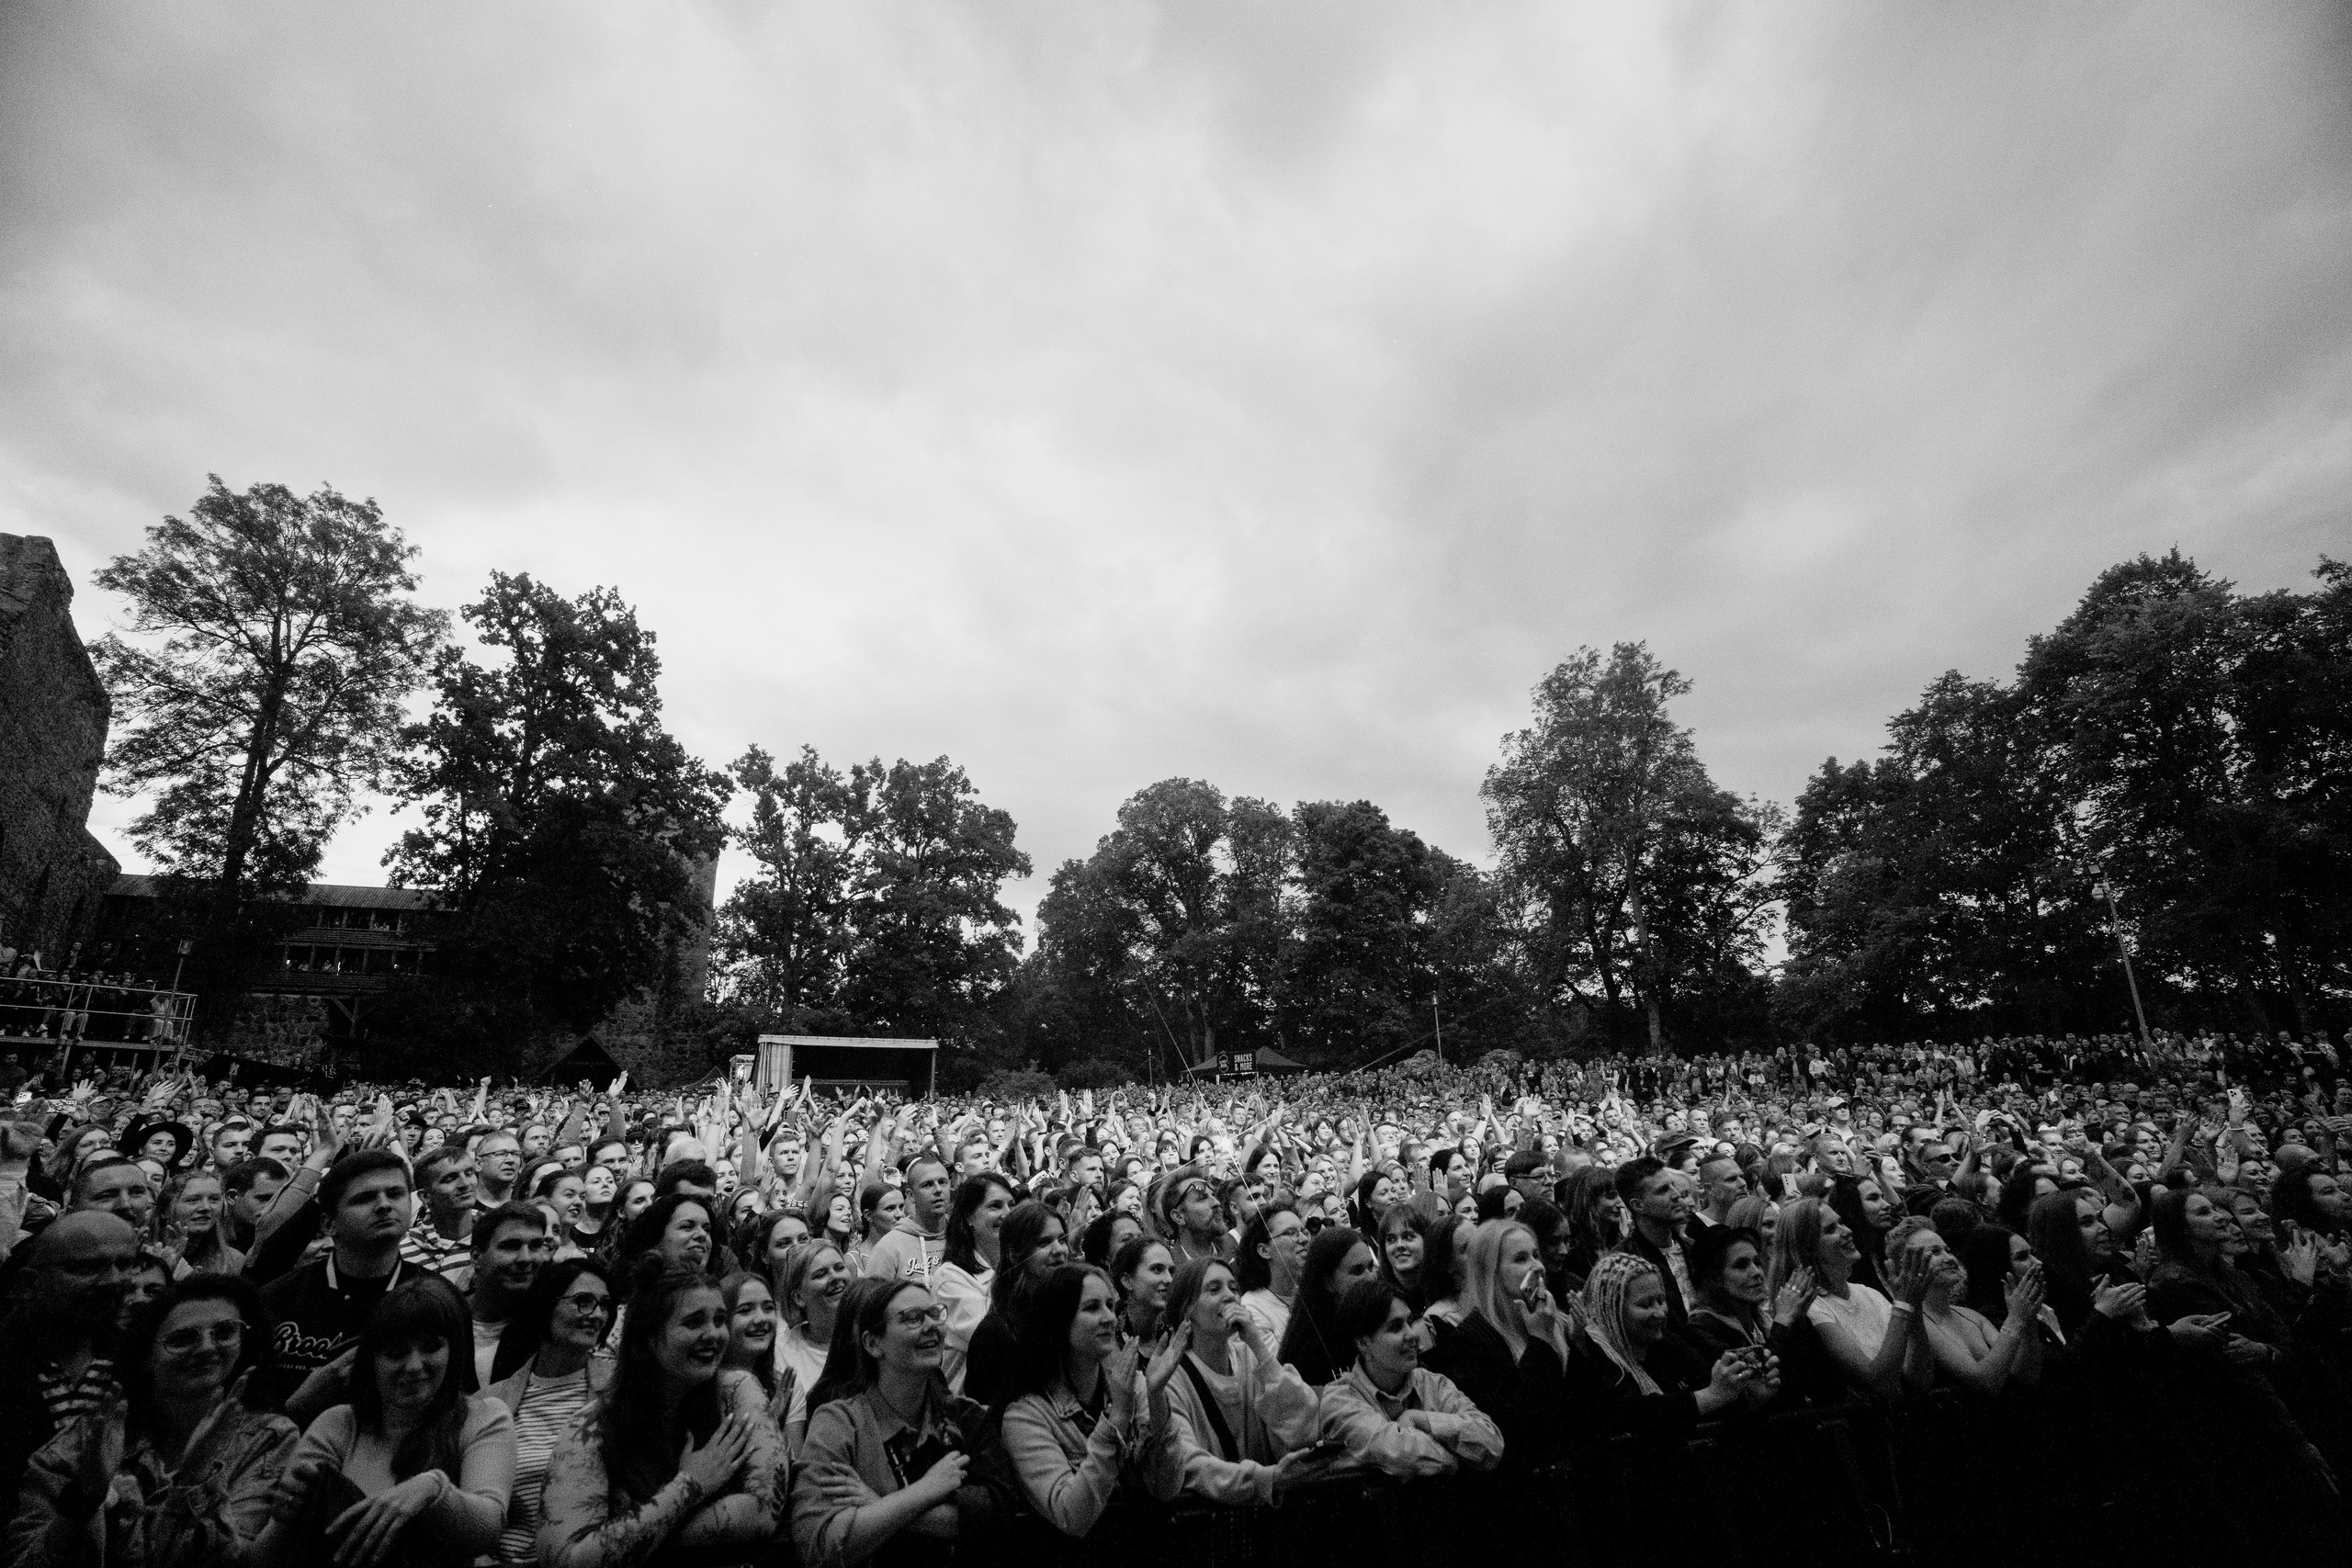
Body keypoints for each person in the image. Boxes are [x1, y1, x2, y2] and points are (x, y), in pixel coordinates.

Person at [6, 1273, 297, 1568]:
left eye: (224, 1332)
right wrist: (83, 1500)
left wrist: (196, 1481)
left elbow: (238, 1562)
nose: (207, 1347)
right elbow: (22, 1559)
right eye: (182, 1339)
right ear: (146, 1357)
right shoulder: (93, 1437)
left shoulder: (268, 1436)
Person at [537, 1260, 786, 1568]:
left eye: (720, 1320)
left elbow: (763, 1512)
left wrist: (648, 1536)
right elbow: (567, 1558)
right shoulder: (592, 1426)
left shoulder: (737, 1391)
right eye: (695, 1322)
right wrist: (689, 1486)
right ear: (648, 1338)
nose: (714, 1334)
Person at [253, 1280, 516, 1568]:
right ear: (371, 1361)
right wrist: (284, 1518)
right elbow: (265, 1556)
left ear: (454, 1351)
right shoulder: (338, 1424)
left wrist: (433, 1489)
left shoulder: (483, 1417)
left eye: (431, 1348)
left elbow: (489, 1526)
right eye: (395, 1353)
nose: (414, 1366)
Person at [788, 1276, 1012, 1568]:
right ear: (873, 1343)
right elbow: (817, 1544)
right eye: (912, 1318)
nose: (931, 1325)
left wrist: (881, 1503)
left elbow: (998, 1513)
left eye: (935, 1314)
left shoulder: (968, 1418)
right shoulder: (838, 1423)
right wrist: (925, 1491)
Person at [1000, 1264, 1184, 1539]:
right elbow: (1071, 1516)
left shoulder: (1134, 1385)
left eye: (1110, 1305)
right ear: (1059, 1320)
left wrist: (1157, 1397)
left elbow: (1166, 1488)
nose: (1109, 1317)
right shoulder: (1025, 1416)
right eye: (1092, 1308)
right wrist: (1117, 1419)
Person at [255, 1151, 415, 1425]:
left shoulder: (436, 1295)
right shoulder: (276, 1298)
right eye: (364, 1198)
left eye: (395, 1193)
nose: (384, 1205)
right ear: (329, 1223)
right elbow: (243, 1414)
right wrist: (298, 1407)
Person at [1156, 1257, 1325, 1505]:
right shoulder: (1171, 1377)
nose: (1230, 1296)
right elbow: (1188, 1463)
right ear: (1186, 1309)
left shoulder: (1253, 1358)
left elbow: (1304, 1431)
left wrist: (1258, 1345)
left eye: (1234, 1288)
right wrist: (1267, 1479)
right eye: (1214, 1289)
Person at [484, 1259, 616, 1568]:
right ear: (545, 1306)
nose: (597, 1315)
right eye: (583, 1301)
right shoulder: (491, 1402)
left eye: (604, 1305)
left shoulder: (620, 1391)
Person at [1567, 1254, 1777, 1437]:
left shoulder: (1667, 1343)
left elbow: (1711, 1392)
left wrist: (1752, 1397)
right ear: (1612, 1309)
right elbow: (1636, 1414)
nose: (1659, 1313)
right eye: (1645, 1305)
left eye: (1660, 1301)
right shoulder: (1596, 1352)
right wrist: (1712, 1396)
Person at [1316, 1278, 1504, 1478]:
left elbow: (1492, 1444)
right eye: (1396, 1327)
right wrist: (1456, 1457)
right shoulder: (1339, 1401)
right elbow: (1401, 1454)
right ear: (1363, 1343)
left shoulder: (1432, 1383)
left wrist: (1420, 1419)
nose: (1412, 1334)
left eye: (1409, 1322)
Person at [1425, 1219, 1573, 1461]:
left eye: (1536, 1255)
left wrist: (1583, 1345)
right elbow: (1516, 1428)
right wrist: (1540, 1342)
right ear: (1491, 1273)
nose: (1537, 1266)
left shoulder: (1552, 1320)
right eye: (1521, 1259)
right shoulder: (1469, 1341)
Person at [1765, 1197, 1933, 1398]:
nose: (1846, 1231)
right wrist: (1904, 1305)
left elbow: (1920, 1380)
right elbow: (1877, 1381)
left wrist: (1914, 1307)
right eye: (1831, 1229)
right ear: (1807, 1249)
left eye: (1841, 1223)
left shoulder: (1868, 1293)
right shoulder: (1808, 1307)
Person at [962, 1202, 1069, 1411]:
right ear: (1013, 1254)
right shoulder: (995, 1332)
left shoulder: (1072, 1310)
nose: (1058, 1250)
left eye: (1062, 1240)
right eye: (1044, 1242)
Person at [933, 1174, 1011, 1395]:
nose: (1007, 1213)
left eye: (1011, 1204)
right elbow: (999, 1342)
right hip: (970, 1407)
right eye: (995, 1206)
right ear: (969, 1217)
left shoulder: (1019, 1264)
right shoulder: (950, 1277)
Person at [1272, 1225, 1379, 1387]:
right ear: (1328, 1282)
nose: (1370, 1278)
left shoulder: (1379, 1322)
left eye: (1371, 1267)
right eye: (1357, 1271)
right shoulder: (1308, 1354)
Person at [772, 1241, 850, 1455]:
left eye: (839, 1267)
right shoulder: (781, 1351)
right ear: (798, 1297)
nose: (835, 1277)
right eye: (820, 1274)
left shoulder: (870, 1339)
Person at [864, 1156, 951, 1286]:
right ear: (911, 1195)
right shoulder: (888, 1247)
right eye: (927, 1185)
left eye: (942, 1182)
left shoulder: (965, 1235)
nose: (938, 1189)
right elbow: (871, 1297)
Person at [719, 1270, 793, 1427]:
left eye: (768, 1308)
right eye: (745, 1310)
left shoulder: (782, 1386)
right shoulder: (706, 1386)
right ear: (722, 1320)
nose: (761, 1319)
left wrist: (774, 1424)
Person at [1231, 1202, 1304, 1347]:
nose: (1304, 1239)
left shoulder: (1311, 1291)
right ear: (1264, 1251)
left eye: (1303, 1231)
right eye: (1291, 1233)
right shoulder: (1252, 1309)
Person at [1109, 1235, 1174, 1345]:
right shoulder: (1108, 1337)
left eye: (1171, 1271)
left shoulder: (1178, 1333)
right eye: (1157, 1269)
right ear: (1127, 1281)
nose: (1169, 1279)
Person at [1376, 1205, 1429, 1312]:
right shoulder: (1378, 1297)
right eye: (1391, 1239)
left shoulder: (1442, 1289)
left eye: (1408, 1237)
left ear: (1426, 1240)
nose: (1399, 1245)